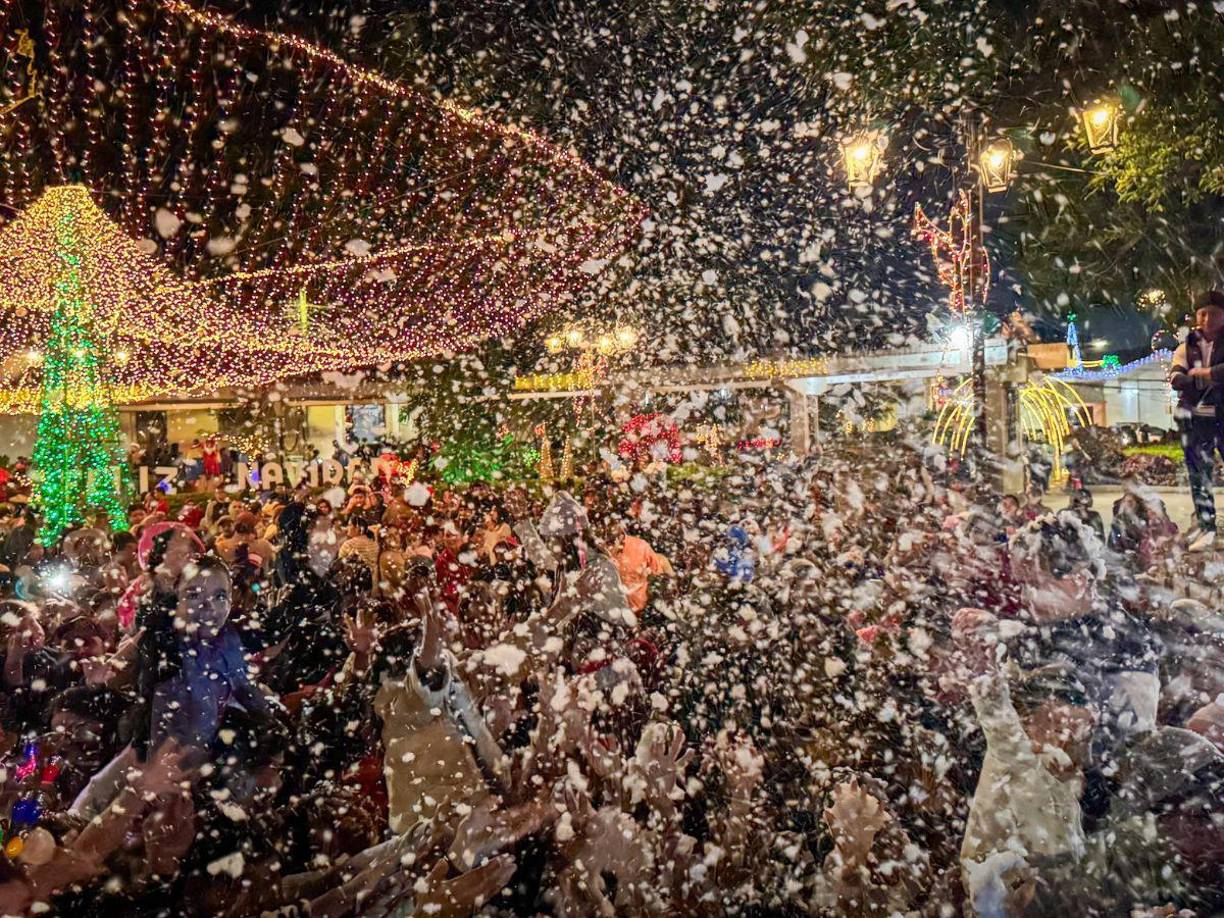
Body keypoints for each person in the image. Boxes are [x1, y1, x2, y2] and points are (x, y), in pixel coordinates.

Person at [1170, 290, 1224, 551]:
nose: (1207, 319)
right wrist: (1206, 378)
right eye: (1202, 313)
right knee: (1198, 475)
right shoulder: (1186, 346)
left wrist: (1207, 372)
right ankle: (1206, 526)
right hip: (1195, 421)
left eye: (1213, 314)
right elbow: (1176, 378)